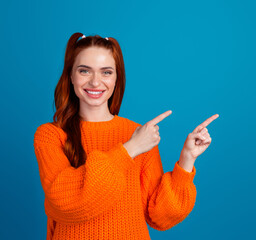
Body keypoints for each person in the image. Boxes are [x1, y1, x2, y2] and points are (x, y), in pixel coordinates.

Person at [33, 32, 219, 240]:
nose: (96, 82)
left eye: (106, 72)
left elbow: (158, 215)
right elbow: (65, 202)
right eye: (84, 71)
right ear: (70, 76)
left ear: (116, 79)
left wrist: (187, 159)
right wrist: (130, 149)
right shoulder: (50, 135)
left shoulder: (138, 134)